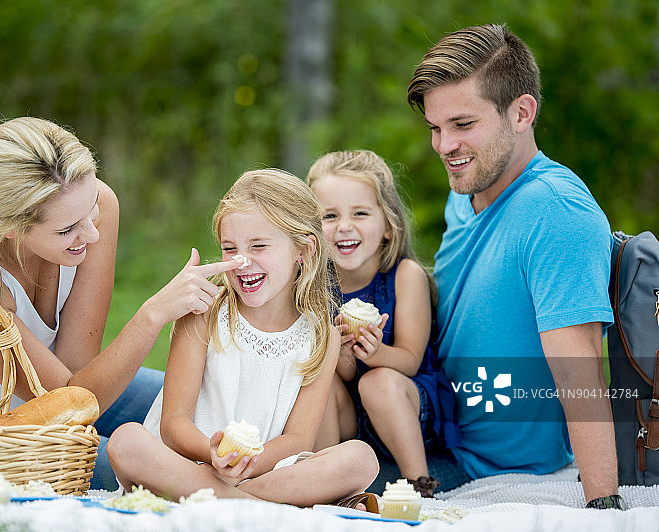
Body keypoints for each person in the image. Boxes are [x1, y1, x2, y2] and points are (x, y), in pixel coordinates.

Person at [0, 116, 242, 488]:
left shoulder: (93, 202)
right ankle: (258, 506)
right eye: (67, 229)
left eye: (91, 210)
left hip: (77, 393)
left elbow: (78, 382)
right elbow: (70, 399)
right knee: (162, 467)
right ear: (7, 226)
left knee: (214, 404)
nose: (92, 232)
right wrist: (152, 315)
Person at [406, 24, 622, 509]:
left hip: (473, 465)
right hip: (425, 419)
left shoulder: (556, 212)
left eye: (462, 125)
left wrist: (604, 506)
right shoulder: (467, 189)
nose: (443, 146)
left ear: (522, 112)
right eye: (435, 128)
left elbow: (579, 374)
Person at [106, 169, 379, 506]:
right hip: (191, 464)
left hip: (265, 472)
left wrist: (249, 464)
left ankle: (228, 501)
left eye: (259, 246)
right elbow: (174, 423)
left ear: (303, 250)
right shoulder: (204, 312)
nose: (242, 262)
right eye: (230, 248)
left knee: (361, 459)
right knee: (126, 442)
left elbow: (298, 438)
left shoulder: (321, 335)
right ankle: (255, 507)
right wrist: (212, 451)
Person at [307, 150, 460, 497]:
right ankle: (325, 482)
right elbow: (343, 375)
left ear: (388, 226)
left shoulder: (405, 276)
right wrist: (343, 351)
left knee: (376, 382)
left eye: (360, 213)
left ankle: (420, 486)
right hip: (353, 420)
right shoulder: (316, 287)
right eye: (329, 216)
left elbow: (409, 359)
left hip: (407, 405)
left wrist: (374, 353)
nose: (344, 226)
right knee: (322, 380)